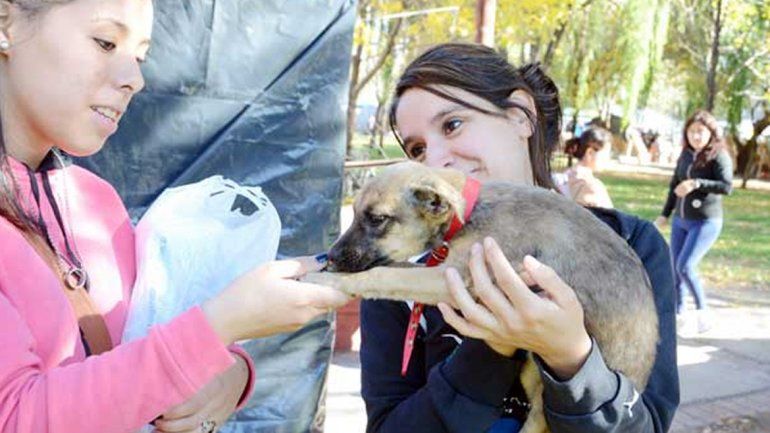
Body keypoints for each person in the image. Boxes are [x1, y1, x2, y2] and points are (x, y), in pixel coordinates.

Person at [0, 1, 349, 433]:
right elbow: (15, 417)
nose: (134, 79)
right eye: (105, 42)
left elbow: (151, 336)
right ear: (6, 23)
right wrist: (221, 325)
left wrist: (231, 373)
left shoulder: (96, 200)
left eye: (140, 56)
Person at [360, 43, 678, 433]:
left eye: (452, 124)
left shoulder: (629, 244)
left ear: (520, 115)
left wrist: (570, 356)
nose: (436, 160)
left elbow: (646, 425)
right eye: (418, 149)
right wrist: (492, 348)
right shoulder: (404, 275)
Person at [654, 110, 732, 334]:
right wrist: (665, 214)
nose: (696, 136)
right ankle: (680, 315)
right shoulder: (686, 155)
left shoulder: (718, 155)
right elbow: (674, 185)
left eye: (701, 131)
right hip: (681, 220)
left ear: (711, 133)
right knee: (675, 269)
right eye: (691, 131)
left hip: (705, 221)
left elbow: (726, 186)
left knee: (685, 266)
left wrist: (697, 183)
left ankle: (702, 312)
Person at [557, 127, 614, 208]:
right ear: (590, 152)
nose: (608, 158)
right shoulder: (593, 186)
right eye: (606, 153)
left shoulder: (561, 178)